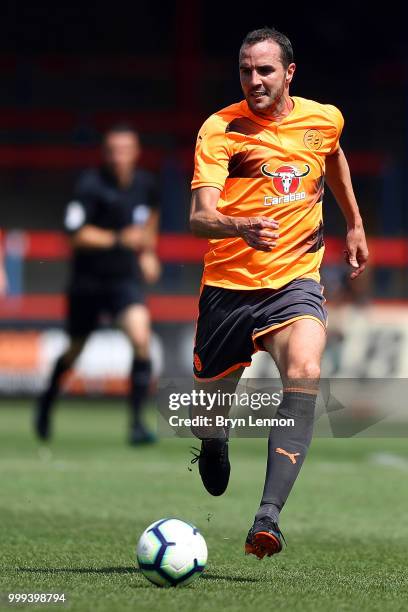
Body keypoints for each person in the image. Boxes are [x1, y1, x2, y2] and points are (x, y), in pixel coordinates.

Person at [189, 27, 368, 558]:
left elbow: (332, 157)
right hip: (228, 288)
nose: (254, 80)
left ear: (289, 73)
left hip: (295, 281)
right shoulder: (220, 128)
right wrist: (239, 226)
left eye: (264, 70)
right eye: (245, 70)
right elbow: (199, 217)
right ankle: (213, 441)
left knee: (306, 372)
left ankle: (267, 517)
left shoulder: (324, 119)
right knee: (209, 416)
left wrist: (354, 223)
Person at [35, 123, 161, 445]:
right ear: (105, 154)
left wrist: (147, 251)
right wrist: (119, 239)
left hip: (123, 282)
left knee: (141, 336)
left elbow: (150, 219)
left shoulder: (145, 185)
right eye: (113, 150)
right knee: (74, 351)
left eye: (125, 150)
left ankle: (136, 424)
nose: (119, 156)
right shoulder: (89, 187)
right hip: (87, 284)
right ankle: (47, 403)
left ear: (136, 153)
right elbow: (74, 234)